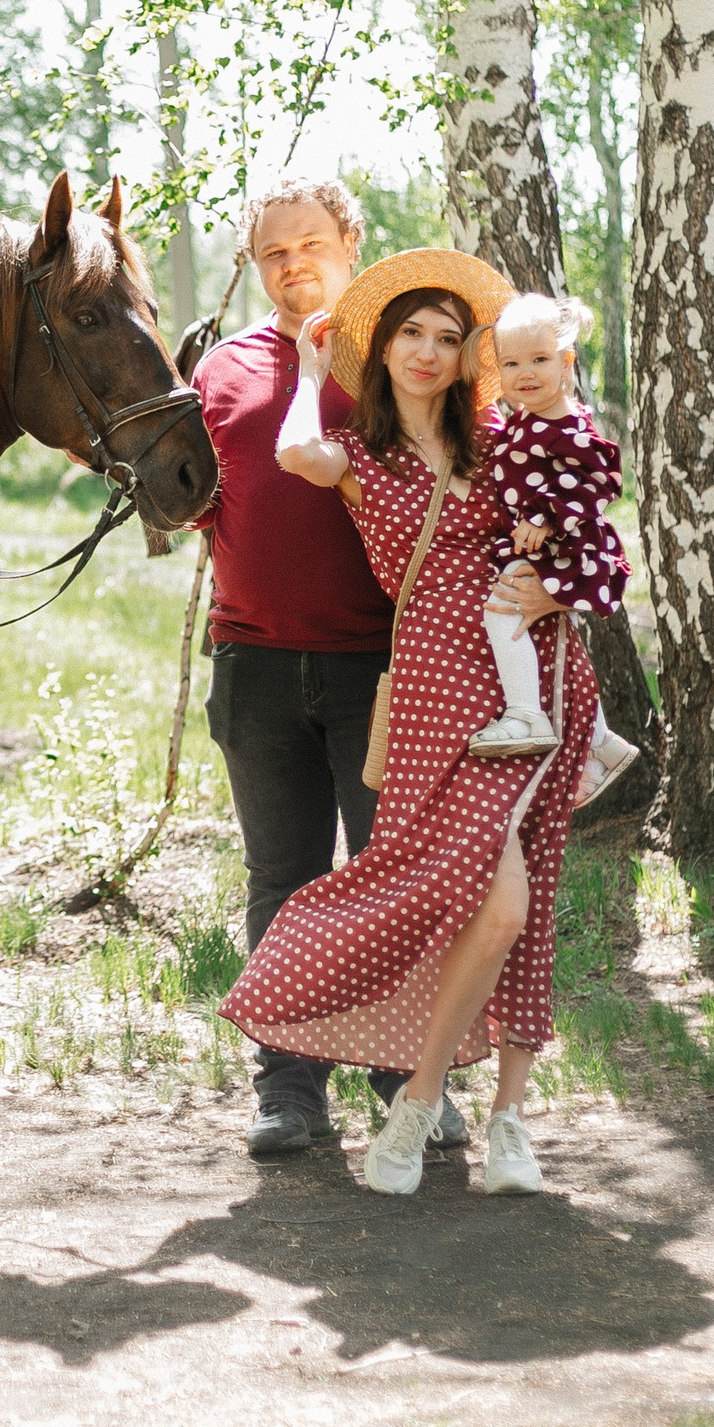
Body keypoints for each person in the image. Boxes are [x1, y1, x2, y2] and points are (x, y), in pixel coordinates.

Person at [216, 249, 590, 1198]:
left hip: (536, 677)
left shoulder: (502, 442)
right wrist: (312, 371)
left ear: (470, 356)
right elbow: (294, 453)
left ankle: (508, 1118)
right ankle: (419, 1097)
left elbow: (585, 521)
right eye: (409, 334)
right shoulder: (360, 457)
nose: (426, 352)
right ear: (381, 350)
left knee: (527, 897)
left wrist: (554, 593)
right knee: (487, 900)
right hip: (437, 691)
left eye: (447, 337)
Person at [187, 180, 466, 1158]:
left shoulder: (397, 360)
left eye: (310, 243)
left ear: (351, 244)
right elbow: (190, 496)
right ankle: (288, 1088)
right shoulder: (220, 369)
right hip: (254, 664)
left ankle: (407, 1082)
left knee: (389, 879)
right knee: (282, 878)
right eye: (273, 251)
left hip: (381, 669)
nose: (292, 263)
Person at [467, 292, 642, 807]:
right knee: (552, 645)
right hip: (542, 543)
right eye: (511, 364)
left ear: (566, 362)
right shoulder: (528, 418)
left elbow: (603, 480)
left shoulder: (567, 425)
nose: (525, 373)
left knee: (502, 611)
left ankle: (526, 714)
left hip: (565, 544)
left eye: (540, 359)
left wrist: (545, 515)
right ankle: (601, 742)